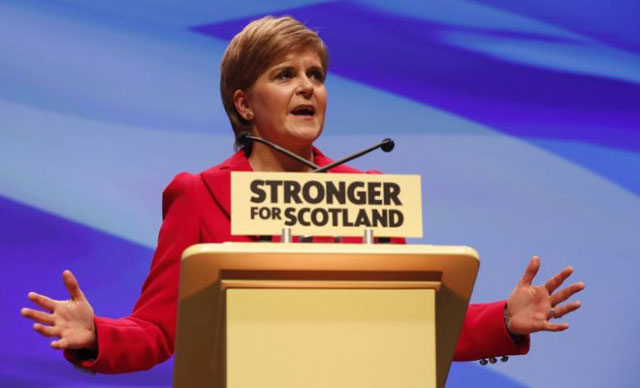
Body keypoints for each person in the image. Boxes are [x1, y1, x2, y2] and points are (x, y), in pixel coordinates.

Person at [20, 16, 584, 374]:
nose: (308, 86)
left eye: (315, 74)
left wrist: (504, 321)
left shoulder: (369, 195)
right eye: (285, 74)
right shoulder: (200, 195)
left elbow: (414, 323)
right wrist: (97, 336)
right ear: (245, 104)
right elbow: (162, 331)